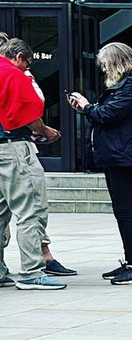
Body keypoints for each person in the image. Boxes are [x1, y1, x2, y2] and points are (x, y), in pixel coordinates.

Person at [66, 42, 132, 285]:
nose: (103, 69)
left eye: (105, 64)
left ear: (116, 63)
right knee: (121, 211)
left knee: (124, 211)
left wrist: (86, 105)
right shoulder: (128, 87)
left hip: (124, 156)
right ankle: (130, 262)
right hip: (118, 154)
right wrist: (87, 109)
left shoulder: (131, 87)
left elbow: (106, 115)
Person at [0, 40, 73, 279]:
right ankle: (32, 271)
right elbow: (29, 114)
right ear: (19, 56)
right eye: (27, 64)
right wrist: (46, 132)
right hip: (13, 147)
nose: (26, 69)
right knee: (29, 209)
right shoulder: (14, 75)